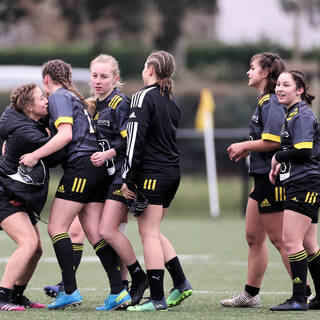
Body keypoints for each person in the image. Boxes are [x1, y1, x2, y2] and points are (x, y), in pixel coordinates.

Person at [19, 59, 131, 310]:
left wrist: (35, 155)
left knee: (56, 227)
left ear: (46, 79)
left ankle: (69, 290)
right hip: (95, 167)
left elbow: (66, 135)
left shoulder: (59, 96)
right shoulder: (73, 97)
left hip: (81, 166)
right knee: (93, 231)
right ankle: (118, 291)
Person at [221, 52, 298, 307]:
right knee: (254, 237)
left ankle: (304, 292)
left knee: (281, 239)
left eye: (252, 67)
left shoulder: (272, 102)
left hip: (273, 179)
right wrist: (249, 149)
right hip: (262, 179)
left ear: (265, 73)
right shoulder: (265, 101)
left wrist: (244, 145)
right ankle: (251, 295)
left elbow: (274, 141)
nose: (248, 72)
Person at [121, 50, 193, 312]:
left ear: (150, 70)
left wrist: (127, 176)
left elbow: (134, 140)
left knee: (148, 233)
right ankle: (181, 282)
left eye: (144, 67)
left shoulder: (142, 96)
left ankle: (157, 298)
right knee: (153, 229)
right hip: (172, 172)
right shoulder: (170, 99)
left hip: (153, 174)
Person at [87, 54, 149, 310]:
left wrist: (107, 154)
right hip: (106, 176)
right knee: (115, 232)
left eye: (104, 76)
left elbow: (128, 141)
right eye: (95, 76)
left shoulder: (119, 103)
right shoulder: (96, 104)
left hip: (123, 174)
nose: (98, 81)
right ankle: (122, 288)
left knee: (107, 231)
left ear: (116, 78)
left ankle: (139, 277)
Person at [0, 83, 63, 311]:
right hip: (5, 197)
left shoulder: (32, 124)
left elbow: (52, 158)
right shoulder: (25, 132)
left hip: (19, 197)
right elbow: (59, 151)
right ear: (28, 106)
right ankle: (2, 295)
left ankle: (16, 296)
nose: (46, 101)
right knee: (27, 244)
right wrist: (63, 130)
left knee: (36, 250)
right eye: (41, 98)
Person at [269, 71, 320, 311]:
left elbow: (304, 150)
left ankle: (299, 298)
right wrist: (280, 163)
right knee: (309, 244)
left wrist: (278, 155)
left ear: (299, 90)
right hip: (302, 182)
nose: (280, 88)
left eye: (286, 85)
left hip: (305, 184)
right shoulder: (292, 113)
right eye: (278, 84)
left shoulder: (302, 114)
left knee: (291, 241)